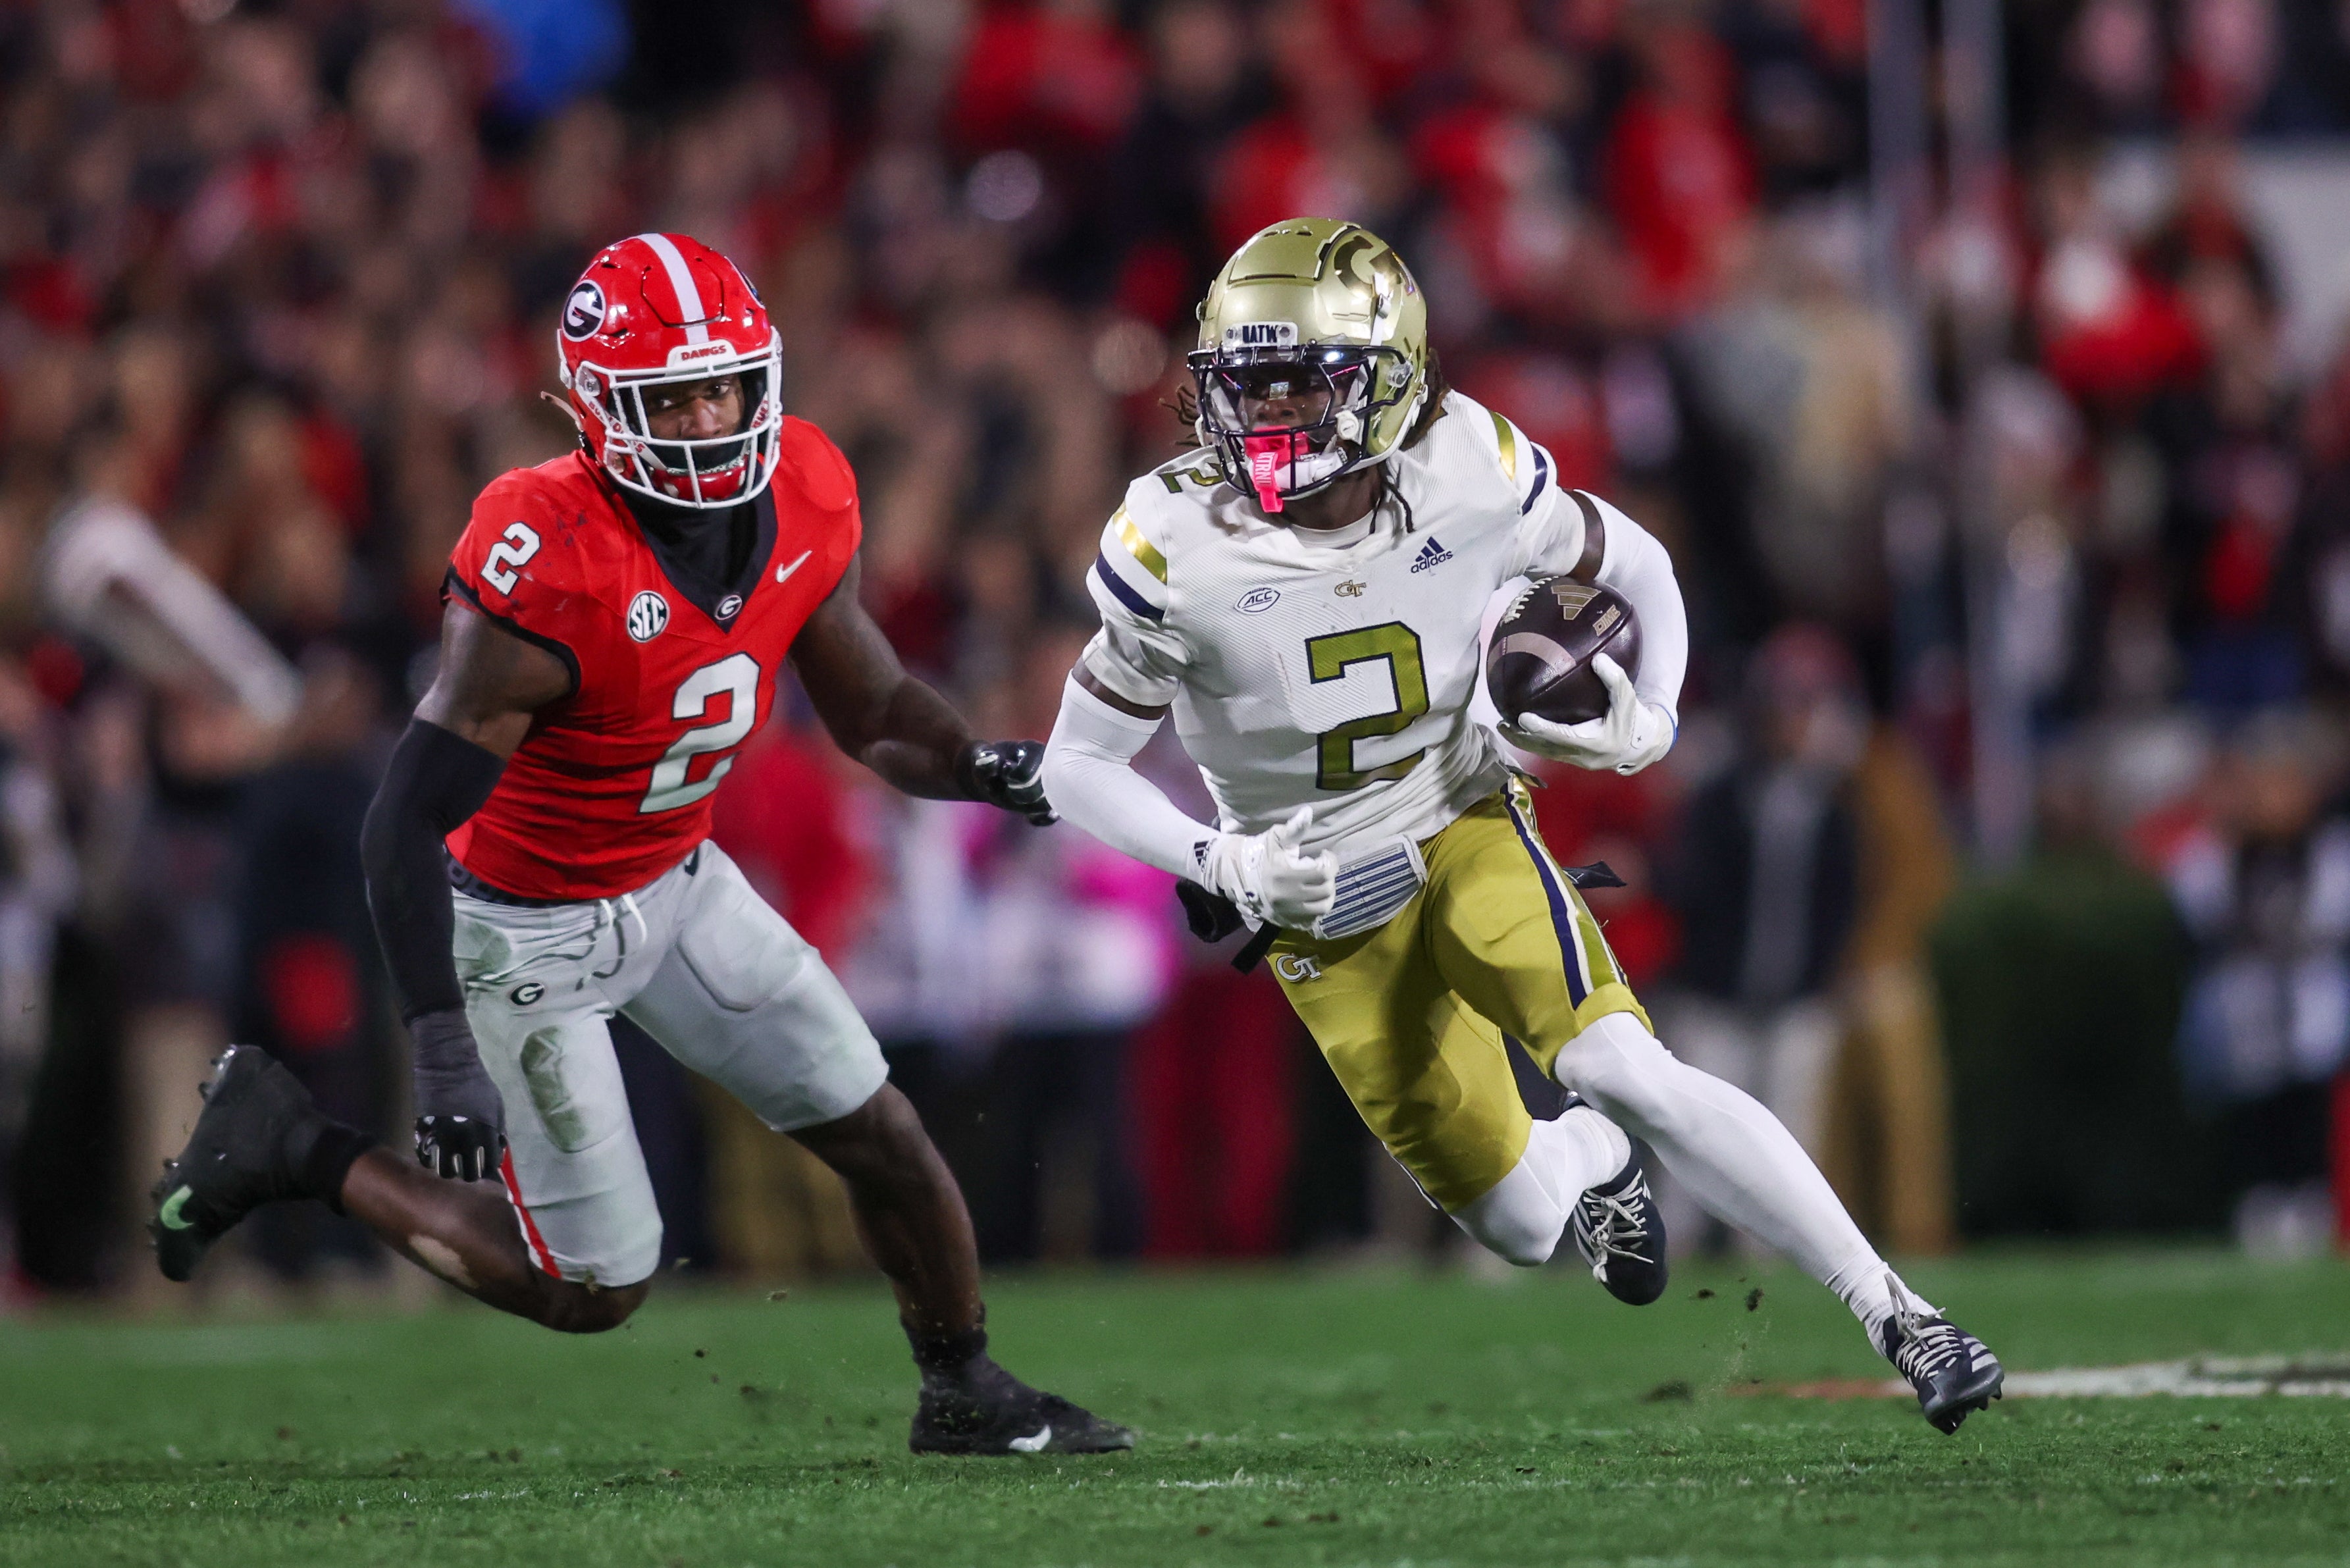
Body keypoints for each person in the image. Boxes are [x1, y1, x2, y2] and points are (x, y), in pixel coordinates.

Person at [144, 234, 1131, 1457]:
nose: (711, 417)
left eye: (725, 384)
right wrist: (440, 1040)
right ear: (601, 408)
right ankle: (292, 1143)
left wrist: (980, 765)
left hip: (679, 876)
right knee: (594, 1287)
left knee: (878, 1126)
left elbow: (874, 711)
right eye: (674, 395)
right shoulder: (547, 555)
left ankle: (963, 1386)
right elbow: (402, 818)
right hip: (526, 925)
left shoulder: (810, 489)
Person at [1040, 217, 2003, 1433]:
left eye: (1301, 382)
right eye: (1247, 385)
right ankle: (1590, 1161)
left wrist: (1649, 715)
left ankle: (1899, 1314)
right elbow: (1076, 764)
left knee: (1625, 1063)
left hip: (1460, 821)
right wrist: (1217, 855)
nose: (1266, 417)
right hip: (1312, 898)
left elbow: (1638, 562)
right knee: (1518, 1219)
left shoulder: (1467, 466)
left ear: (1388, 379)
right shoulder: (1174, 541)